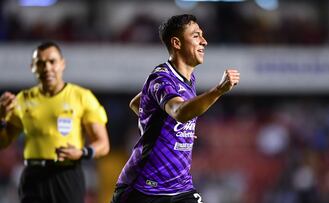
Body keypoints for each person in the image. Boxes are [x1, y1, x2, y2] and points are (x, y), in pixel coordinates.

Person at [111, 14, 240, 203]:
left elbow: (137, 103)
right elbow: (180, 112)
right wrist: (219, 90)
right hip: (144, 188)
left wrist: (171, 130)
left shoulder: (188, 79)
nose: (204, 41)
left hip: (180, 188)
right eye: (196, 36)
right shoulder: (162, 79)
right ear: (177, 43)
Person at [0, 41, 110, 203]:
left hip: (66, 174)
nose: (47, 68)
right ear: (33, 67)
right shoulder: (22, 100)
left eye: (52, 61)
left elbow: (103, 145)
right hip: (33, 176)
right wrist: (1, 118)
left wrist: (82, 152)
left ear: (62, 64)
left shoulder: (82, 97)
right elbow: (3, 142)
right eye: (40, 63)